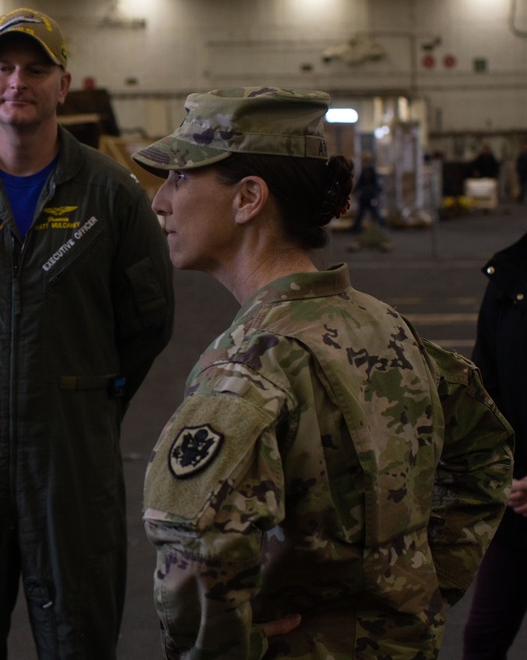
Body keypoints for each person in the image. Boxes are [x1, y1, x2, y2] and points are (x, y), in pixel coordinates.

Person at [132, 86, 513, 658]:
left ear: (248, 198)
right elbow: (485, 457)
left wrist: (245, 645)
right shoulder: (384, 324)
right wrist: (416, 588)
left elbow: (196, 543)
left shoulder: (249, 365)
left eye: (181, 178)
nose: (161, 200)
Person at [0, 7, 174, 659]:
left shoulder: (114, 197)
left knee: (79, 631)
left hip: (73, 461)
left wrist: (86, 393)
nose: (20, 80)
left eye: (37, 68)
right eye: (4, 67)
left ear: (63, 85)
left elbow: (149, 321)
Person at [462, 232, 527, 658]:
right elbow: (486, 390)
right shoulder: (509, 273)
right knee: (483, 639)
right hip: (517, 501)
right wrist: (501, 474)